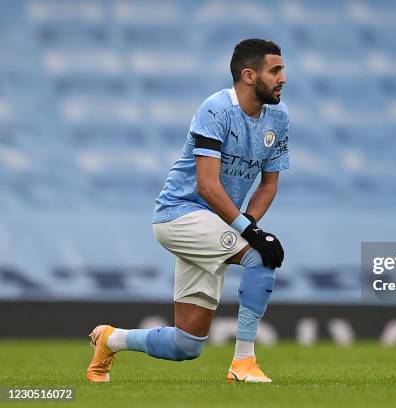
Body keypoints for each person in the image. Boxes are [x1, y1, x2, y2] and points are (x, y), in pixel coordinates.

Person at [86, 38, 289, 383]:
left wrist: (249, 223)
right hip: (179, 214)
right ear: (249, 75)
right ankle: (243, 362)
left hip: (214, 222)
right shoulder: (216, 110)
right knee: (260, 256)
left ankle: (110, 339)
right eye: (276, 70)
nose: (283, 78)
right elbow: (207, 186)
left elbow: (268, 184)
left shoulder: (278, 118)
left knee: (186, 344)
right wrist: (250, 233)